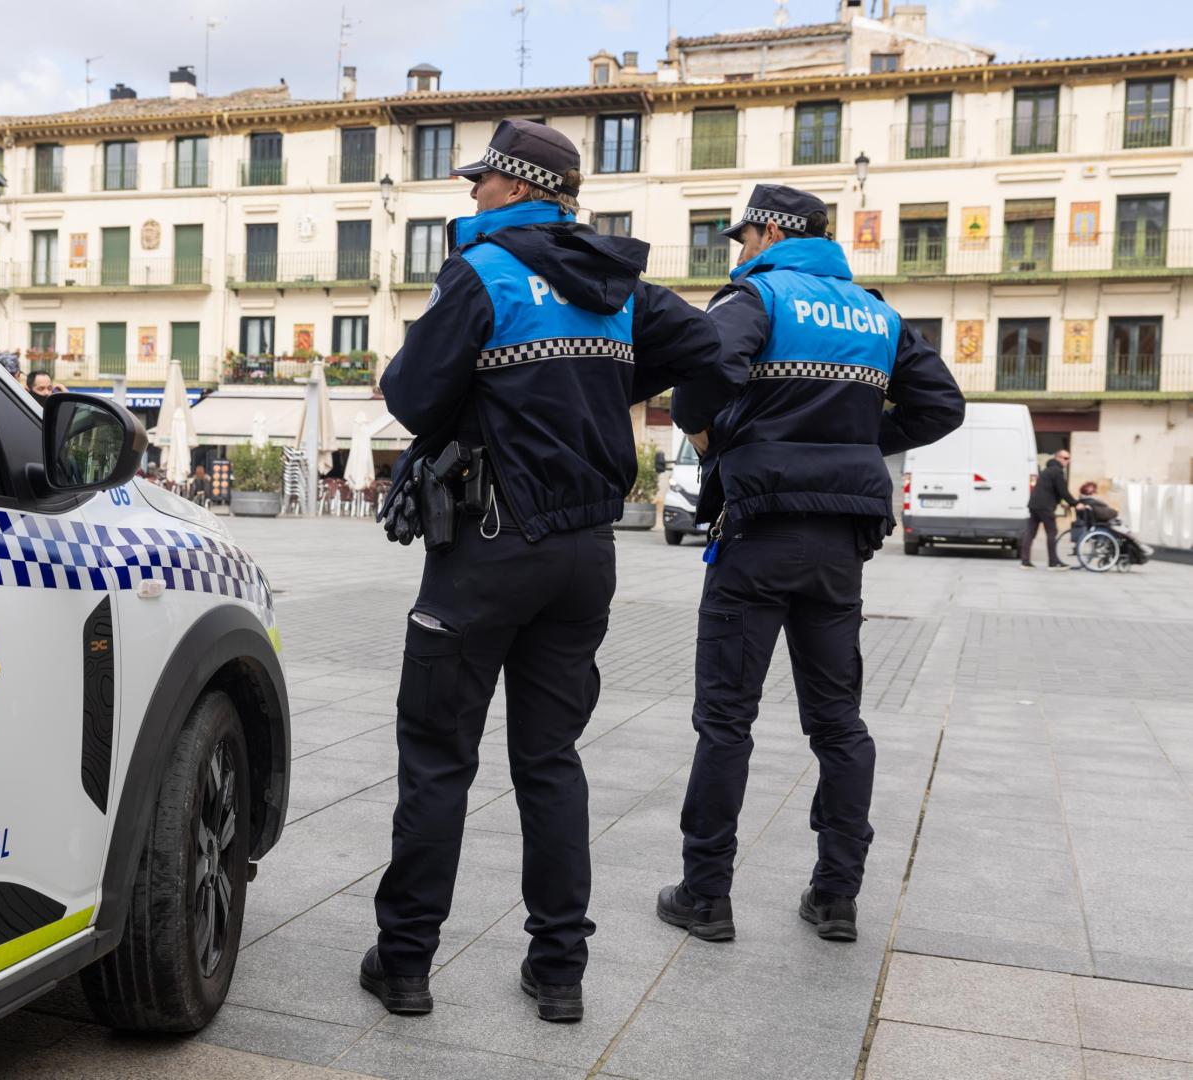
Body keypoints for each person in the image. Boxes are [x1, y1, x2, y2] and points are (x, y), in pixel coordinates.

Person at [365, 119, 745, 1022]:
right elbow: (710, 351)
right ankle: (560, 971)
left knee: (437, 759)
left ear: (517, 186)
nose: (470, 195)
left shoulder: (483, 272)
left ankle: (408, 962)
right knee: (550, 760)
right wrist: (598, 383)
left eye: (481, 181)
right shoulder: (618, 285)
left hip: (488, 552)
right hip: (587, 555)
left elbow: (411, 396)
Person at [657, 184, 964, 945]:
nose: (739, 250)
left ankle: (706, 895)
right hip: (841, 545)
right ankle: (835, 898)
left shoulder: (756, 298)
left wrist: (711, 431)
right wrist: (854, 441)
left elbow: (698, 371)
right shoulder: (876, 313)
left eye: (741, 237)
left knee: (727, 719)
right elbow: (942, 406)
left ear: (766, 233)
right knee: (838, 723)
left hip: (758, 533)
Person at [1021, 449, 1077, 569]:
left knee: (1030, 533)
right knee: (1052, 532)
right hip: (1045, 507)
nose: (1068, 461)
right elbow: (1063, 491)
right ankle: (1053, 562)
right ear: (1058, 458)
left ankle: (1025, 562)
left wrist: (1061, 502)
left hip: (1034, 504)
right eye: (1065, 458)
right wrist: (1075, 504)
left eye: (1069, 459)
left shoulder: (1047, 470)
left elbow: (1051, 490)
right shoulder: (1057, 471)